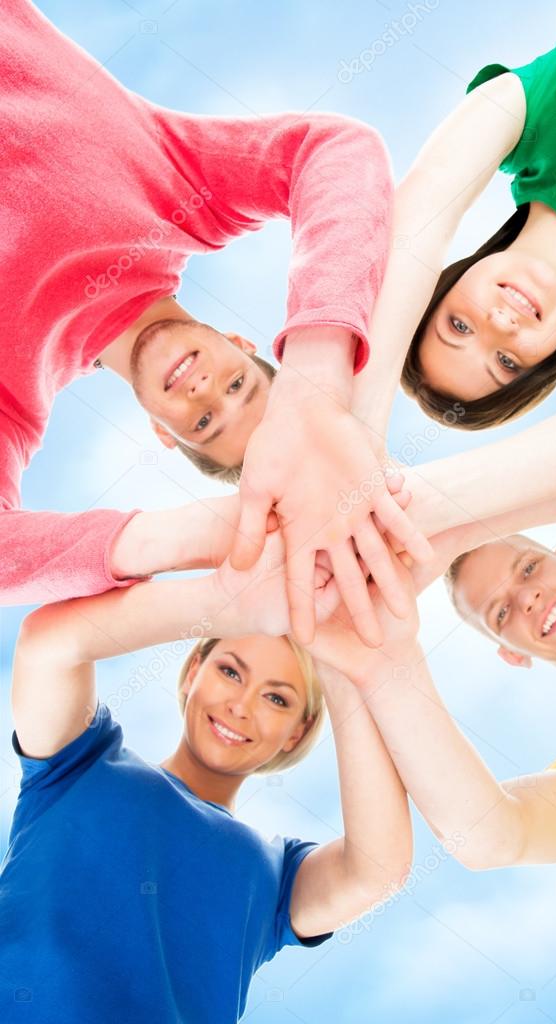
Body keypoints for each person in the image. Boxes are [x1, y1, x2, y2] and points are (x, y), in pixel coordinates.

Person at [1, 0, 430, 643]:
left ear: (163, 433)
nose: (207, 393)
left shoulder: (13, 393)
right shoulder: (182, 193)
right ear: (238, 341)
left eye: (205, 423)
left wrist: (206, 533)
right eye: (241, 387)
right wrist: (315, 385)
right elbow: (332, 148)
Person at [1, 530, 412, 1022]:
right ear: (194, 669)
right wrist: (230, 600)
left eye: (276, 698)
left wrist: (343, 660)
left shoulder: (279, 875)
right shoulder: (80, 759)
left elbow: (378, 868)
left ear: (295, 732)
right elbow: (47, 643)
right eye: (231, 672)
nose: (241, 706)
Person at [347, 0, 556, 550]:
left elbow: (415, 221)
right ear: (551, 356)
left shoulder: (521, 116)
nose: (500, 326)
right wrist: (415, 506)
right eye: (507, 362)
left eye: (458, 326)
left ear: (446, 280)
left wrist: (355, 438)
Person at [309, 435, 556, 878]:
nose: (526, 598)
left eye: (528, 567)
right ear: (511, 654)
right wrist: (387, 659)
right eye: (502, 611)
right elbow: (488, 837)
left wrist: (471, 521)